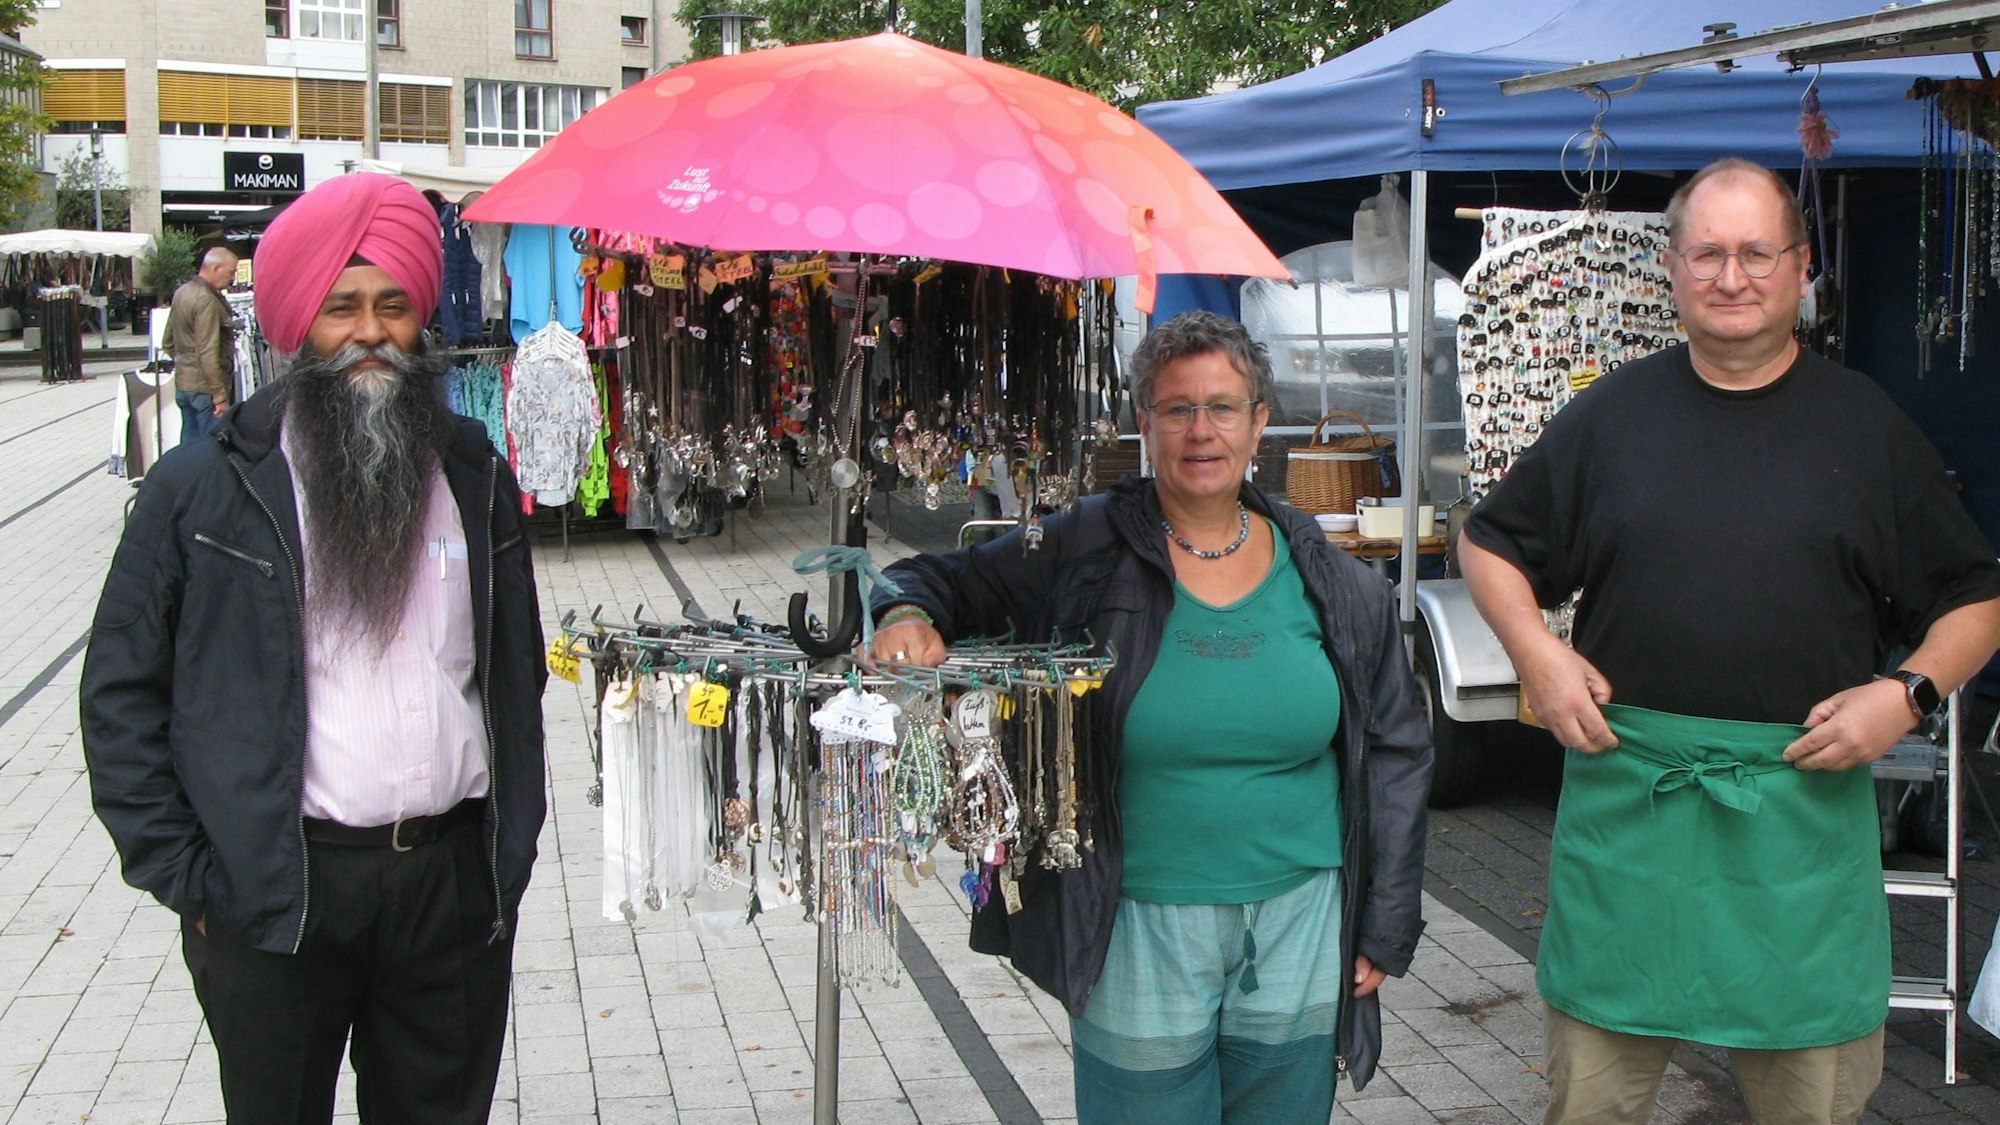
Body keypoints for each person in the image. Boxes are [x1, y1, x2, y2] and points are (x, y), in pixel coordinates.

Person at [1459, 157, 2000, 1125]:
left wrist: (1905, 695)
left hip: (1794, 817)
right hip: (1632, 810)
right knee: (1590, 1104)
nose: (1729, 275)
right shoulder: (1611, 416)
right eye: (1706, 252)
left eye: (1755, 252)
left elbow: (1975, 597)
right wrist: (1534, 654)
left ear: (1799, 269)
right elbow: (1491, 542)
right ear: (1669, 268)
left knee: (1810, 1104)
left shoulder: (1864, 427)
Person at [868, 310, 1434, 1123]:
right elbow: (930, 578)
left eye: (1223, 407)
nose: (1201, 431)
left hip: (1301, 922)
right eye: (1177, 409)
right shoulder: (1084, 549)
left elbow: (1396, 748)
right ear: (1145, 424)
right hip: (1134, 922)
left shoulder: (1326, 573)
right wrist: (902, 618)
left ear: (1259, 422)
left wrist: (1386, 918)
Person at [80, 172, 548, 1125]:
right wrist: (196, 883)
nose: (369, 333)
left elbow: (514, 674)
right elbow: (120, 699)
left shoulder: (474, 474)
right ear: (299, 322)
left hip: (448, 895)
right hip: (275, 898)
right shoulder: (200, 492)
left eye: (393, 306)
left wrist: (507, 853)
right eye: (341, 307)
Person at [168, 246, 240, 442]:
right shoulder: (207, 299)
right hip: (205, 388)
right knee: (209, 449)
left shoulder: (182, 292)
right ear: (216, 268)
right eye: (231, 271)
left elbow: (168, 340)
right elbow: (207, 351)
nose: (232, 277)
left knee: (188, 446)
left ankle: (183, 473)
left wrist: (185, 362)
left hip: (185, 383)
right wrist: (220, 396)